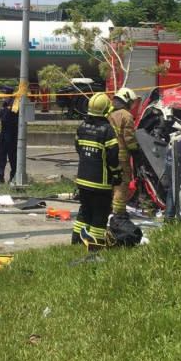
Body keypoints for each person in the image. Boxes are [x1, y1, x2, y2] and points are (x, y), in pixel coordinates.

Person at [72, 92, 121, 251]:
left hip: (83, 179)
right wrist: (116, 174)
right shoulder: (107, 131)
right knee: (100, 215)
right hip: (100, 182)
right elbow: (113, 156)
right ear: (106, 110)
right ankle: (95, 248)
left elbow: (78, 148)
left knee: (84, 212)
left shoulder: (82, 127)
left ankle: (77, 243)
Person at [108, 87, 139, 219]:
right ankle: (119, 213)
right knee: (122, 184)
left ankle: (109, 209)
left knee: (110, 182)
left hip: (108, 155)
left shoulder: (108, 114)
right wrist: (135, 151)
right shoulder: (126, 116)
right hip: (121, 157)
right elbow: (129, 138)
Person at [0, 84, 18, 184]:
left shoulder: (15, 103)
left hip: (12, 133)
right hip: (4, 133)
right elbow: (0, 115)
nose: (1, 95)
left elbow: (7, 116)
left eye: (3, 93)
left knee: (12, 157)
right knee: (1, 155)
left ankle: (14, 177)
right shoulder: (5, 103)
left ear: (7, 94)